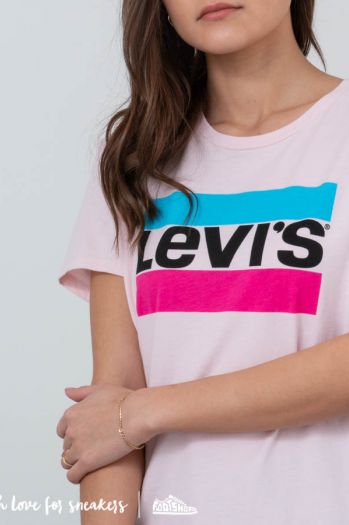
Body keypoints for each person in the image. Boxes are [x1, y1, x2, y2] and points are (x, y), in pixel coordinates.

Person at [55, 0, 349, 523]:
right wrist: (126, 416)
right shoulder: (133, 157)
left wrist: (145, 412)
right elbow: (108, 411)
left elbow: (125, 412)